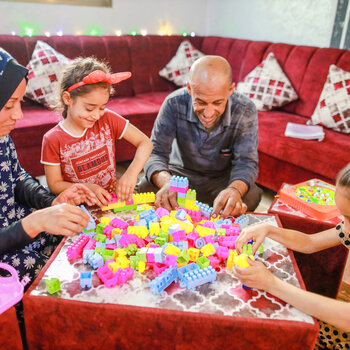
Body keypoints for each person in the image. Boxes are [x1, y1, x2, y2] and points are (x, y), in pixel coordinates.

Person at [0, 47, 98, 285]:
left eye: (20, 103)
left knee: (76, 241)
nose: (19, 115)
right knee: (58, 280)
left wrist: (51, 201)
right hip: (7, 250)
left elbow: (17, 178)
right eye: (9, 105)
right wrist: (35, 222)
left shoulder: (2, 137)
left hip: (15, 226)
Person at [234, 163, 350, 349]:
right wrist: (269, 229)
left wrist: (271, 283)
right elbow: (310, 243)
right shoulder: (347, 230)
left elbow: (347, 318)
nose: (344, 227)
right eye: (342, 216)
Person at [138, 55, 261, 218]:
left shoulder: (245, 109)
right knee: (145, 186)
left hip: (221, 180)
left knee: (251, 195)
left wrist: (234, 190)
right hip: (180, 175)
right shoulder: (173, 103)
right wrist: (168, 182)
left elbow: (246, 162)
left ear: (230, 90)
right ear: (189, 89)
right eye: (201, 102)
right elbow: (155, 152)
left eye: (217, 103)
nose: (208, 113)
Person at [41, 57, 153, 207]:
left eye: (102, 107)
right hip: (78, 209)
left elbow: (145, 143)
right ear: (68, 99)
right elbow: (54, 184)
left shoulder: (107, 119)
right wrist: (88, 188)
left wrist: (131, 174)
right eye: (89, 108)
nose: (96, 115)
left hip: (110, 204)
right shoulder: (53, 139)